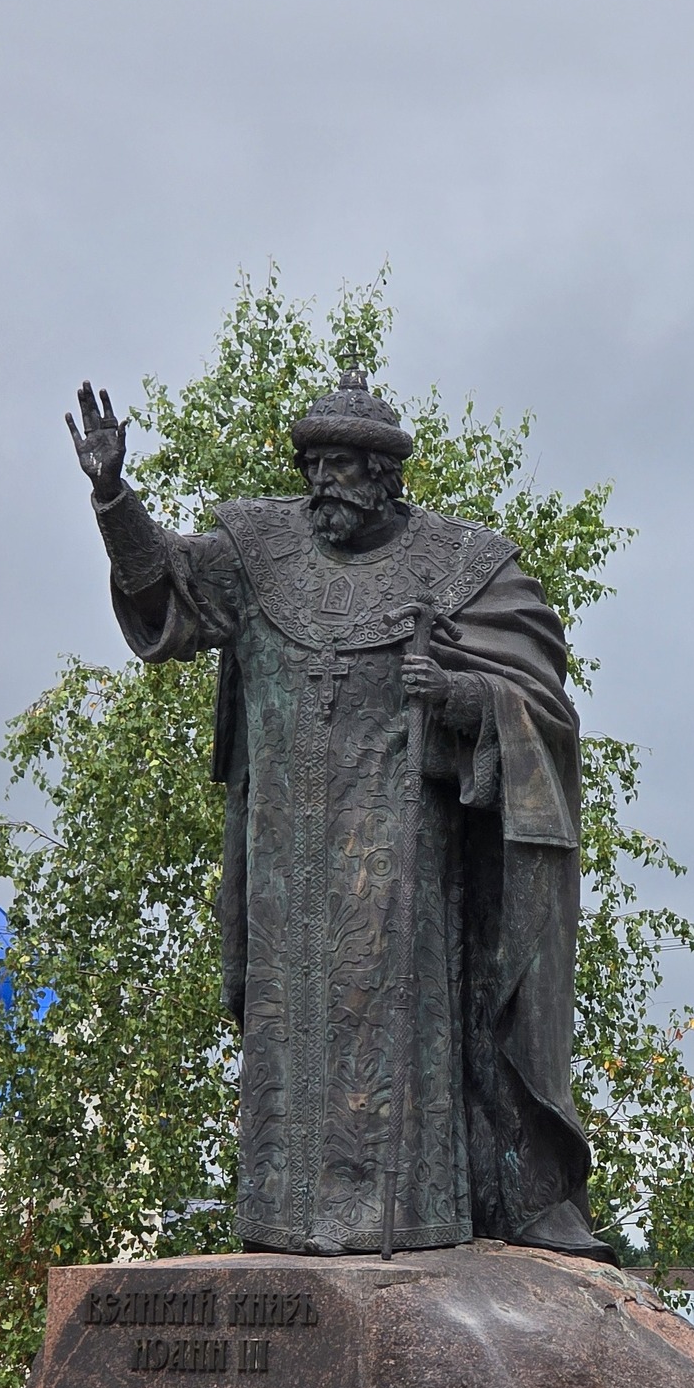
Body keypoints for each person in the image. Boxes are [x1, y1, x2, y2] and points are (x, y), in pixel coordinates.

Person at [67, 368, 608, 1260]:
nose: (321, 485)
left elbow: (543, 709)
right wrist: (114, 496)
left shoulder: (464, 569)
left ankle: (426, 1221)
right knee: (294, 1045)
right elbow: (168, 585)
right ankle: (286, 1226)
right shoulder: (259, 550)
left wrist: (462, 693)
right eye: (312, 464)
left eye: (342, 467)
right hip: (288, 868)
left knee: (398, 1048)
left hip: (405, 880)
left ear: (385, 474)